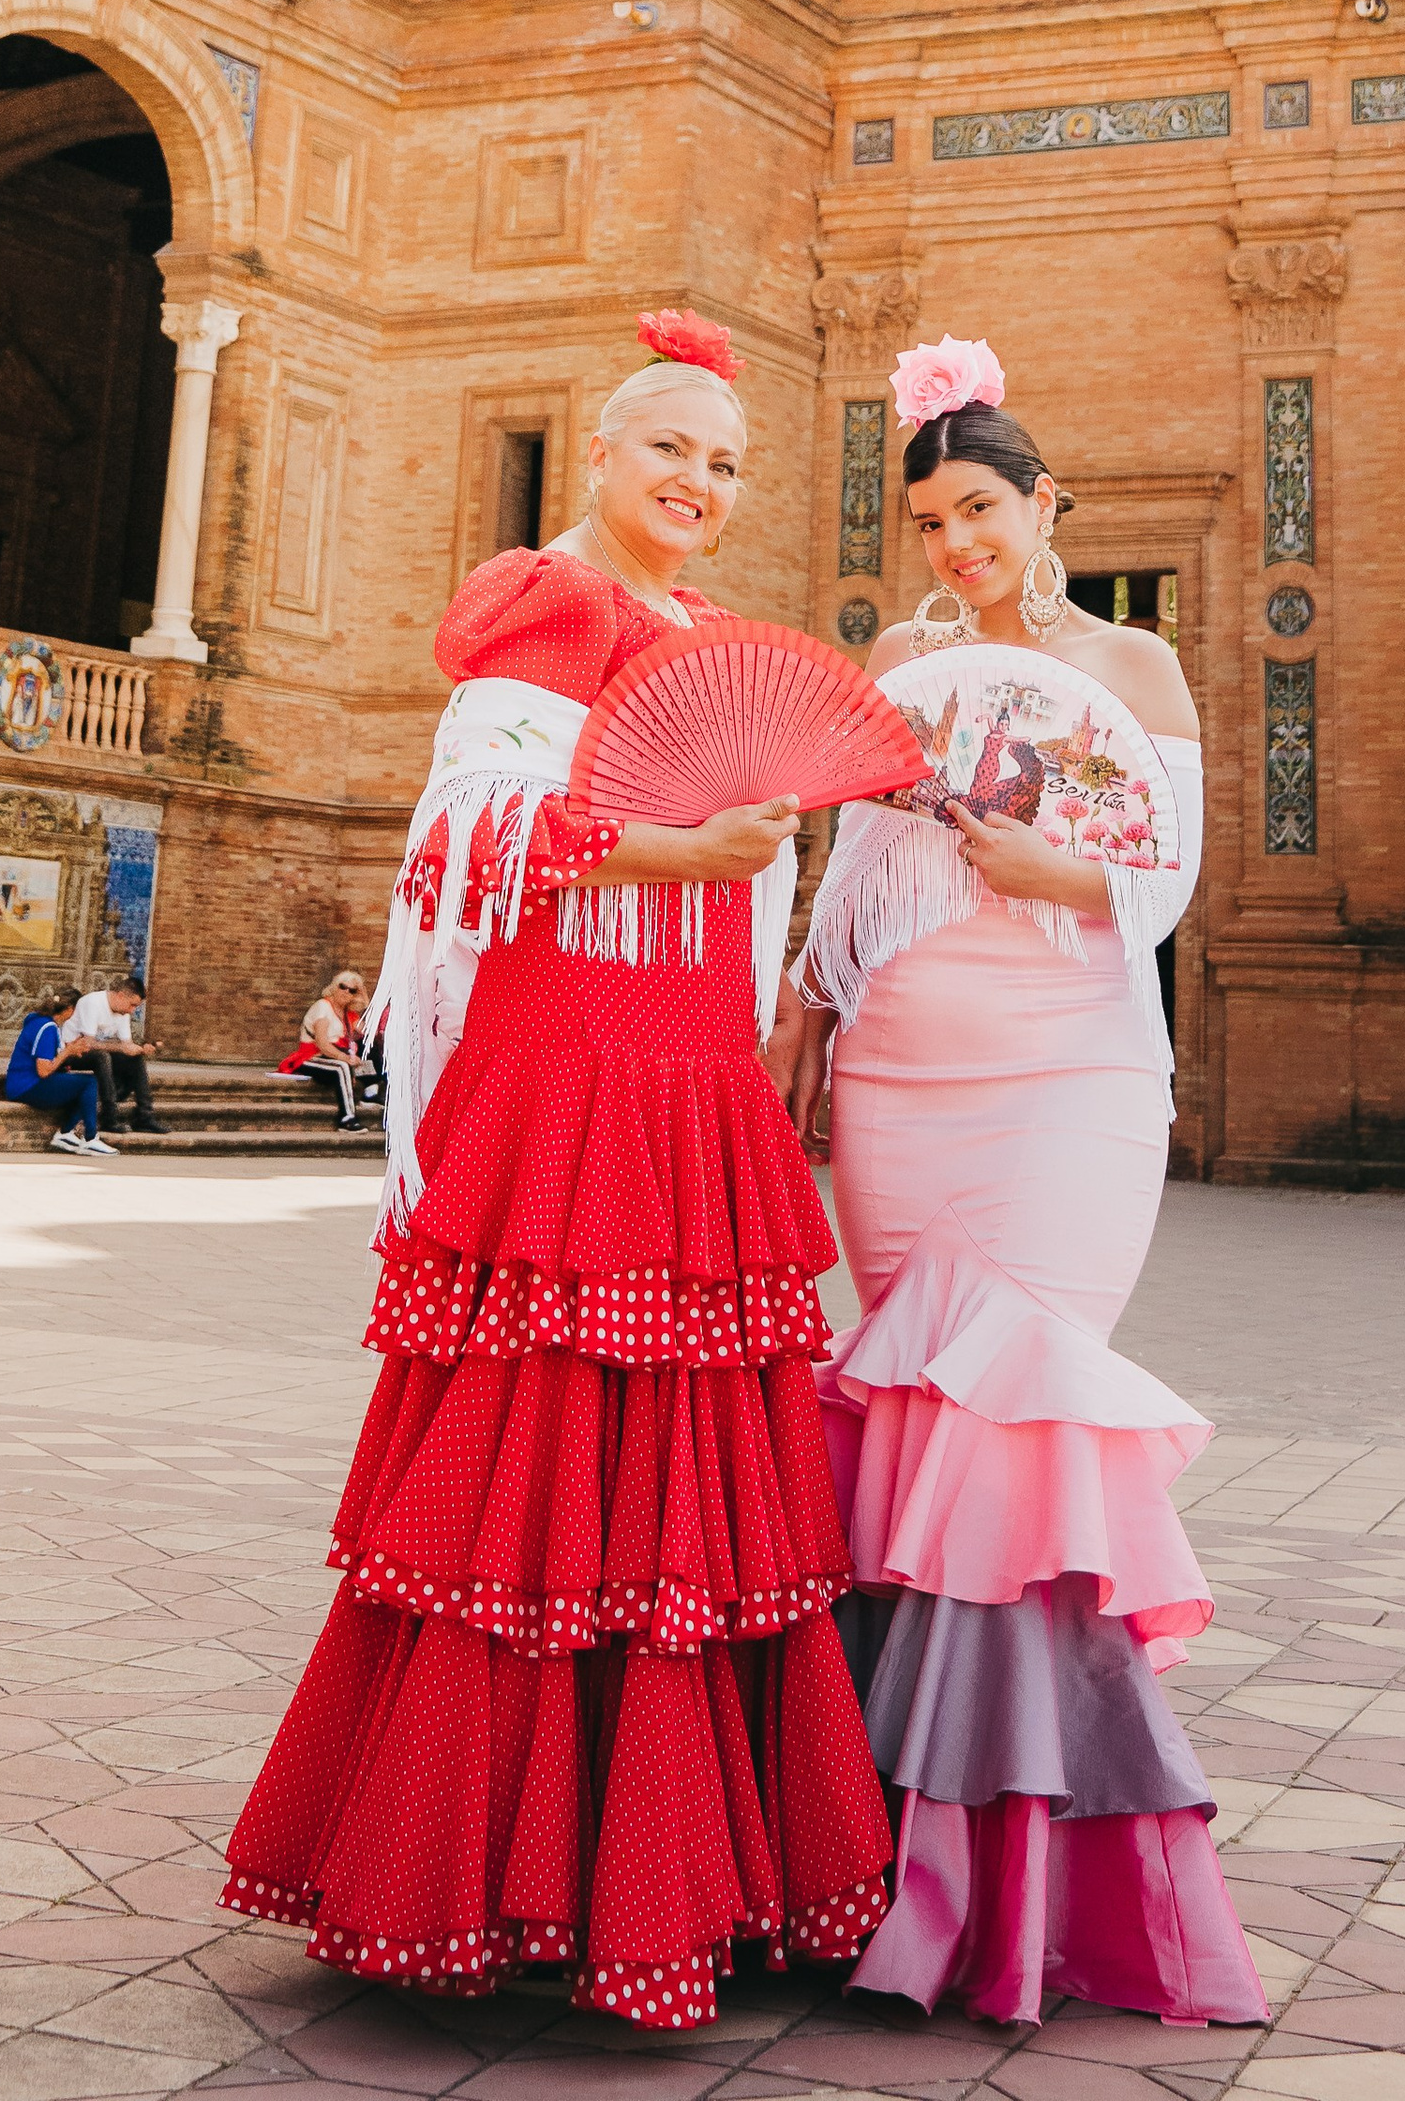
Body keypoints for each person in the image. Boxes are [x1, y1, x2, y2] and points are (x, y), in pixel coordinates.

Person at [223, 308, 891, 2027]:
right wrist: (686, 845)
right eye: (668, 446)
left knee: (684, 1493)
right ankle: (475, 1877)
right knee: (534, 1473)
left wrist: (757, 921)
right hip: (573, 1067)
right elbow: (473, 830)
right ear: (596, 453)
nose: (698, 482)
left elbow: (735, 876)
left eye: (726, 462)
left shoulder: (709, 637)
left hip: (687, 1077)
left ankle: (664, 1878)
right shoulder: (557, 604)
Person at [781, 336, 1266, 2030]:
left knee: (1018, 1422)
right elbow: (848, 869)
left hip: (1069, 1074)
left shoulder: (1131, 665)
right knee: (913, 1425)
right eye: (931, 522)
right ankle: (861, 1856)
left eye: (982, 510)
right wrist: (806, 1011)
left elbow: (1166, 873)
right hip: (901, 1071)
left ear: (1048, 502)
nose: (959, 545)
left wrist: (1051, 862)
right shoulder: (902, 662)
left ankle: (1000, 1885)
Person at [2, 987, 117, 1158]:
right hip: (26, 1086)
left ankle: (65, 1133)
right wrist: (68, 1052)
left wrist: (70, 1051)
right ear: (69, 1009)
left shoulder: (40, 1021)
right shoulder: (47, 1027)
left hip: (23, 1084)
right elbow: (43, 1070)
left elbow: (51, 1059)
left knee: (81, 1085)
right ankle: (90, 1138)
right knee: (90, 1082)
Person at [68, 974, 162, 1132]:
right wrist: (121, 1048)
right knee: (102, 1057)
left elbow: (126, 1044)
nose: (132, 1010)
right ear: (120, 996)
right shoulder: (93, 1003)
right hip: (71, 1052)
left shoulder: (123, 1013)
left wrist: (141, 1049)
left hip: (95, 1053)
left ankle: (144, 1115)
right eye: (132, 1005)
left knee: (135, 1059)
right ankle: (109, 1117)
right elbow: (88, 1044)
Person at [280, 971, 372, 1131]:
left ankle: (371, 1092)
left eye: (352, 990)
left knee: (370, 1057)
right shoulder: (323, 1007)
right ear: (335, 987)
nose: (346, 992)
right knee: (341, 1066)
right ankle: (347, 1117)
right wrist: (344, 1057)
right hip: (310, 1057)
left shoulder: (348, 1014)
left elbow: (369, 1032)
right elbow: (322, 1043)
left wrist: (364, 1000)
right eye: (343, 987)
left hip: (331, 1058)